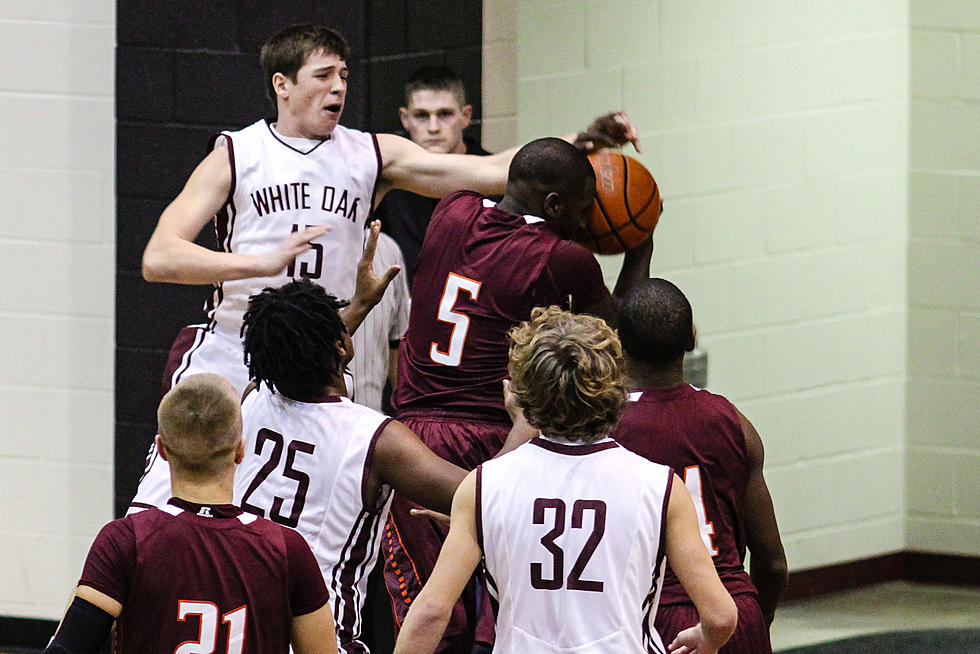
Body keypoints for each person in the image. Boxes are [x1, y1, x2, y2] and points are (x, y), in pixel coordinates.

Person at [133, 22, 637, 510]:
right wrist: (262, 262)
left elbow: (490, 170)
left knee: (310, 519)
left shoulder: (372, 153)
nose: (339, 87)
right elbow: (160, 257)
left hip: (322, 362)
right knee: (168, 507)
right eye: (324, 75)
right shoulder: (237, 154)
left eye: (345, 76)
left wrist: (580, 139)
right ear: (281, 85)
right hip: (233, 350)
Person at [383, 137, 654, 652]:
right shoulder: (563, 258)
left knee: (428, 623)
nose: (587, 221)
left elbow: (502, 175)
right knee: (502, 626)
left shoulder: (451, 211)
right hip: (495, 449)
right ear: (554, 207)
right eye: (581, 209)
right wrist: (638, 244)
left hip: (412, 446)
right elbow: (624, 341)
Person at [392, 307, 737, 654]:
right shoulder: (660, 486)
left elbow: (431, 612)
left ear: (522, 393)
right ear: (617, 385)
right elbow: (720, 616)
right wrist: (706, 640)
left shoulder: (483, 485)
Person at [233, 279, 474, 653]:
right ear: (343, 346)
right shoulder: (376, 440)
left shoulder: (252, 399)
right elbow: (490, 496)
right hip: (316, 638)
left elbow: (300, 346)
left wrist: (360, 305)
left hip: (237, 628)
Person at [45, 374, 338, 654]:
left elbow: (68, 646)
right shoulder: (287, 549)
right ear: (240, 450)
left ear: (161, 450)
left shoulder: (125, 541)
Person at [611, 278, 788, 653]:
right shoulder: (734, 422)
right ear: (691, 339)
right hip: (734, 607)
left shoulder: (606, 428)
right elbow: (772, 563)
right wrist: (756, 622)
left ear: (618, 344)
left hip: (655, 616)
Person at [376, 66, 491, 284]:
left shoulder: (492, 178)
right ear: (405, 119)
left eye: (444, 114)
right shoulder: (389, 181)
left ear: (466, 116)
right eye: (421, 116)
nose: (433, 127)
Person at [350, 228, 410, 413]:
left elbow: (398, 348)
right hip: (299, 429)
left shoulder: (389, 249)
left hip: (368, 425)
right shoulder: (296, 244)